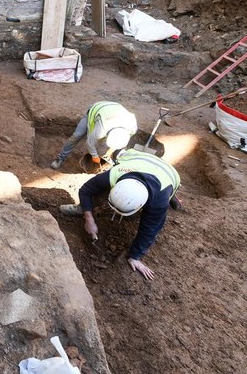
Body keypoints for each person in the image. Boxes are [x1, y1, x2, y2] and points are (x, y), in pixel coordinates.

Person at [59, 149, 182, 280]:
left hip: (169, 173)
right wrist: (88, 218)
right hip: (136, 158)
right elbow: (86, 190)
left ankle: (172, 196)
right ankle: (82, 209)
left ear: (141, 206)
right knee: (97, 191)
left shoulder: (159, 202)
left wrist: (135, 257)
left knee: (162, 204)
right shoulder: (114, 174)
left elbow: (150, 230)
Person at [51, 101, 137, 170]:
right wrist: (95, 157)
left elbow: (119, 141)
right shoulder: (102, 129)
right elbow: (89, 143)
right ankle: (61, 157)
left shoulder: (132, 128)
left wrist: (110, 152)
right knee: (77, 135)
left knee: (99, 142)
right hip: (97, 109)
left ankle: (113, 163)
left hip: (115, 110)